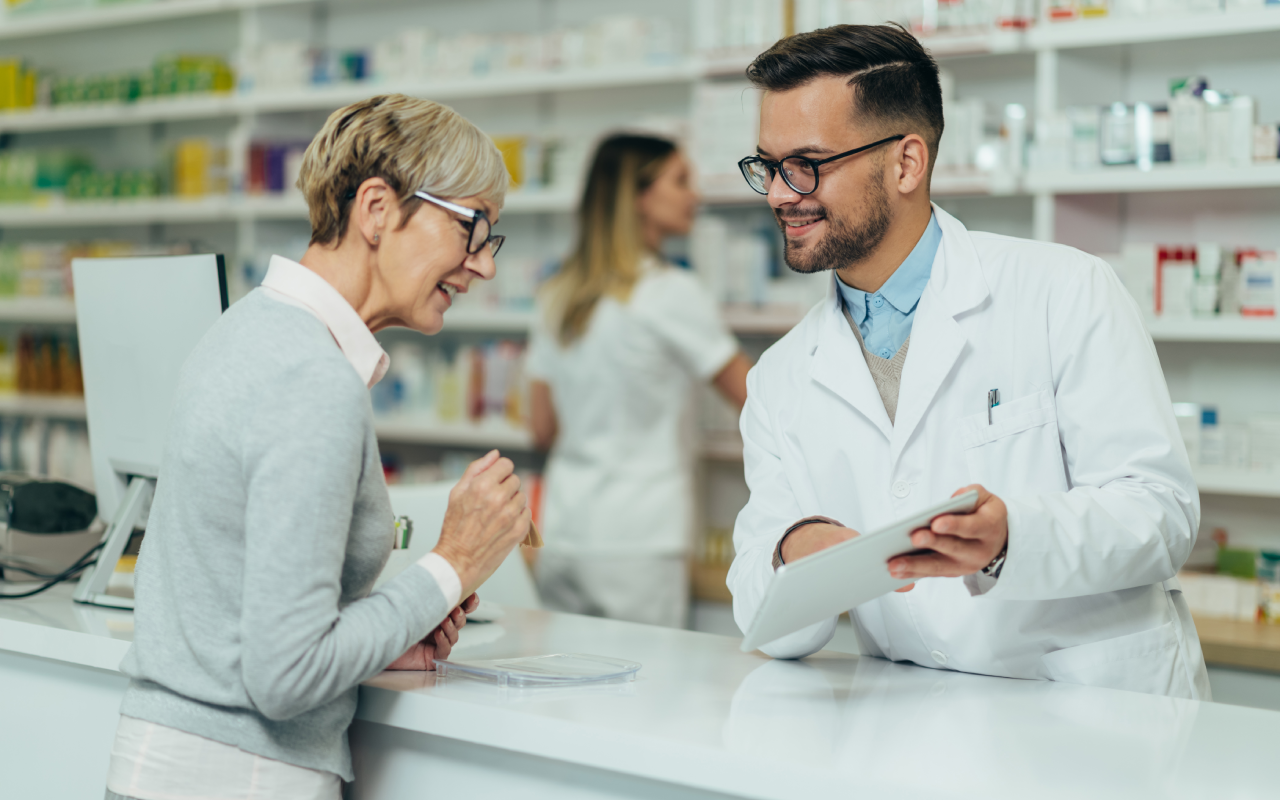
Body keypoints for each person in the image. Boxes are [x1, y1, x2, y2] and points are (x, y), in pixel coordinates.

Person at [727, 25, 1210, 699]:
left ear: (906, 163)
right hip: (919, 722)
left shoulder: (1063, 290)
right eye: (768, 166)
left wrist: (1012, 536)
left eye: (806, 164)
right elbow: (766, 624)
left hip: (1097, 719)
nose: (779, 194)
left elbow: (1161, 516)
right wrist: (794, 553)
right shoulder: (781, 376)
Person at [105, 95, 532, 800]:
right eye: (472, 228)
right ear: (376, 209)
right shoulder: (313, 380)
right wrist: (452, 566)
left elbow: (252, 629)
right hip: (235, 777)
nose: (482, 266)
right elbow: (285, 678)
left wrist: (377, 641)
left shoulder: (247, 331)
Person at [526, 134, 751, 629]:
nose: (695, 195)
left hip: (563, 534)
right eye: (680, 181)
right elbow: (756, 399)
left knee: (562, 694)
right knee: (642, 698)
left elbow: (540, 428)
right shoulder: (670, 292)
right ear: (638, 196)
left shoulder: (557, 294)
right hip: (639, 542)